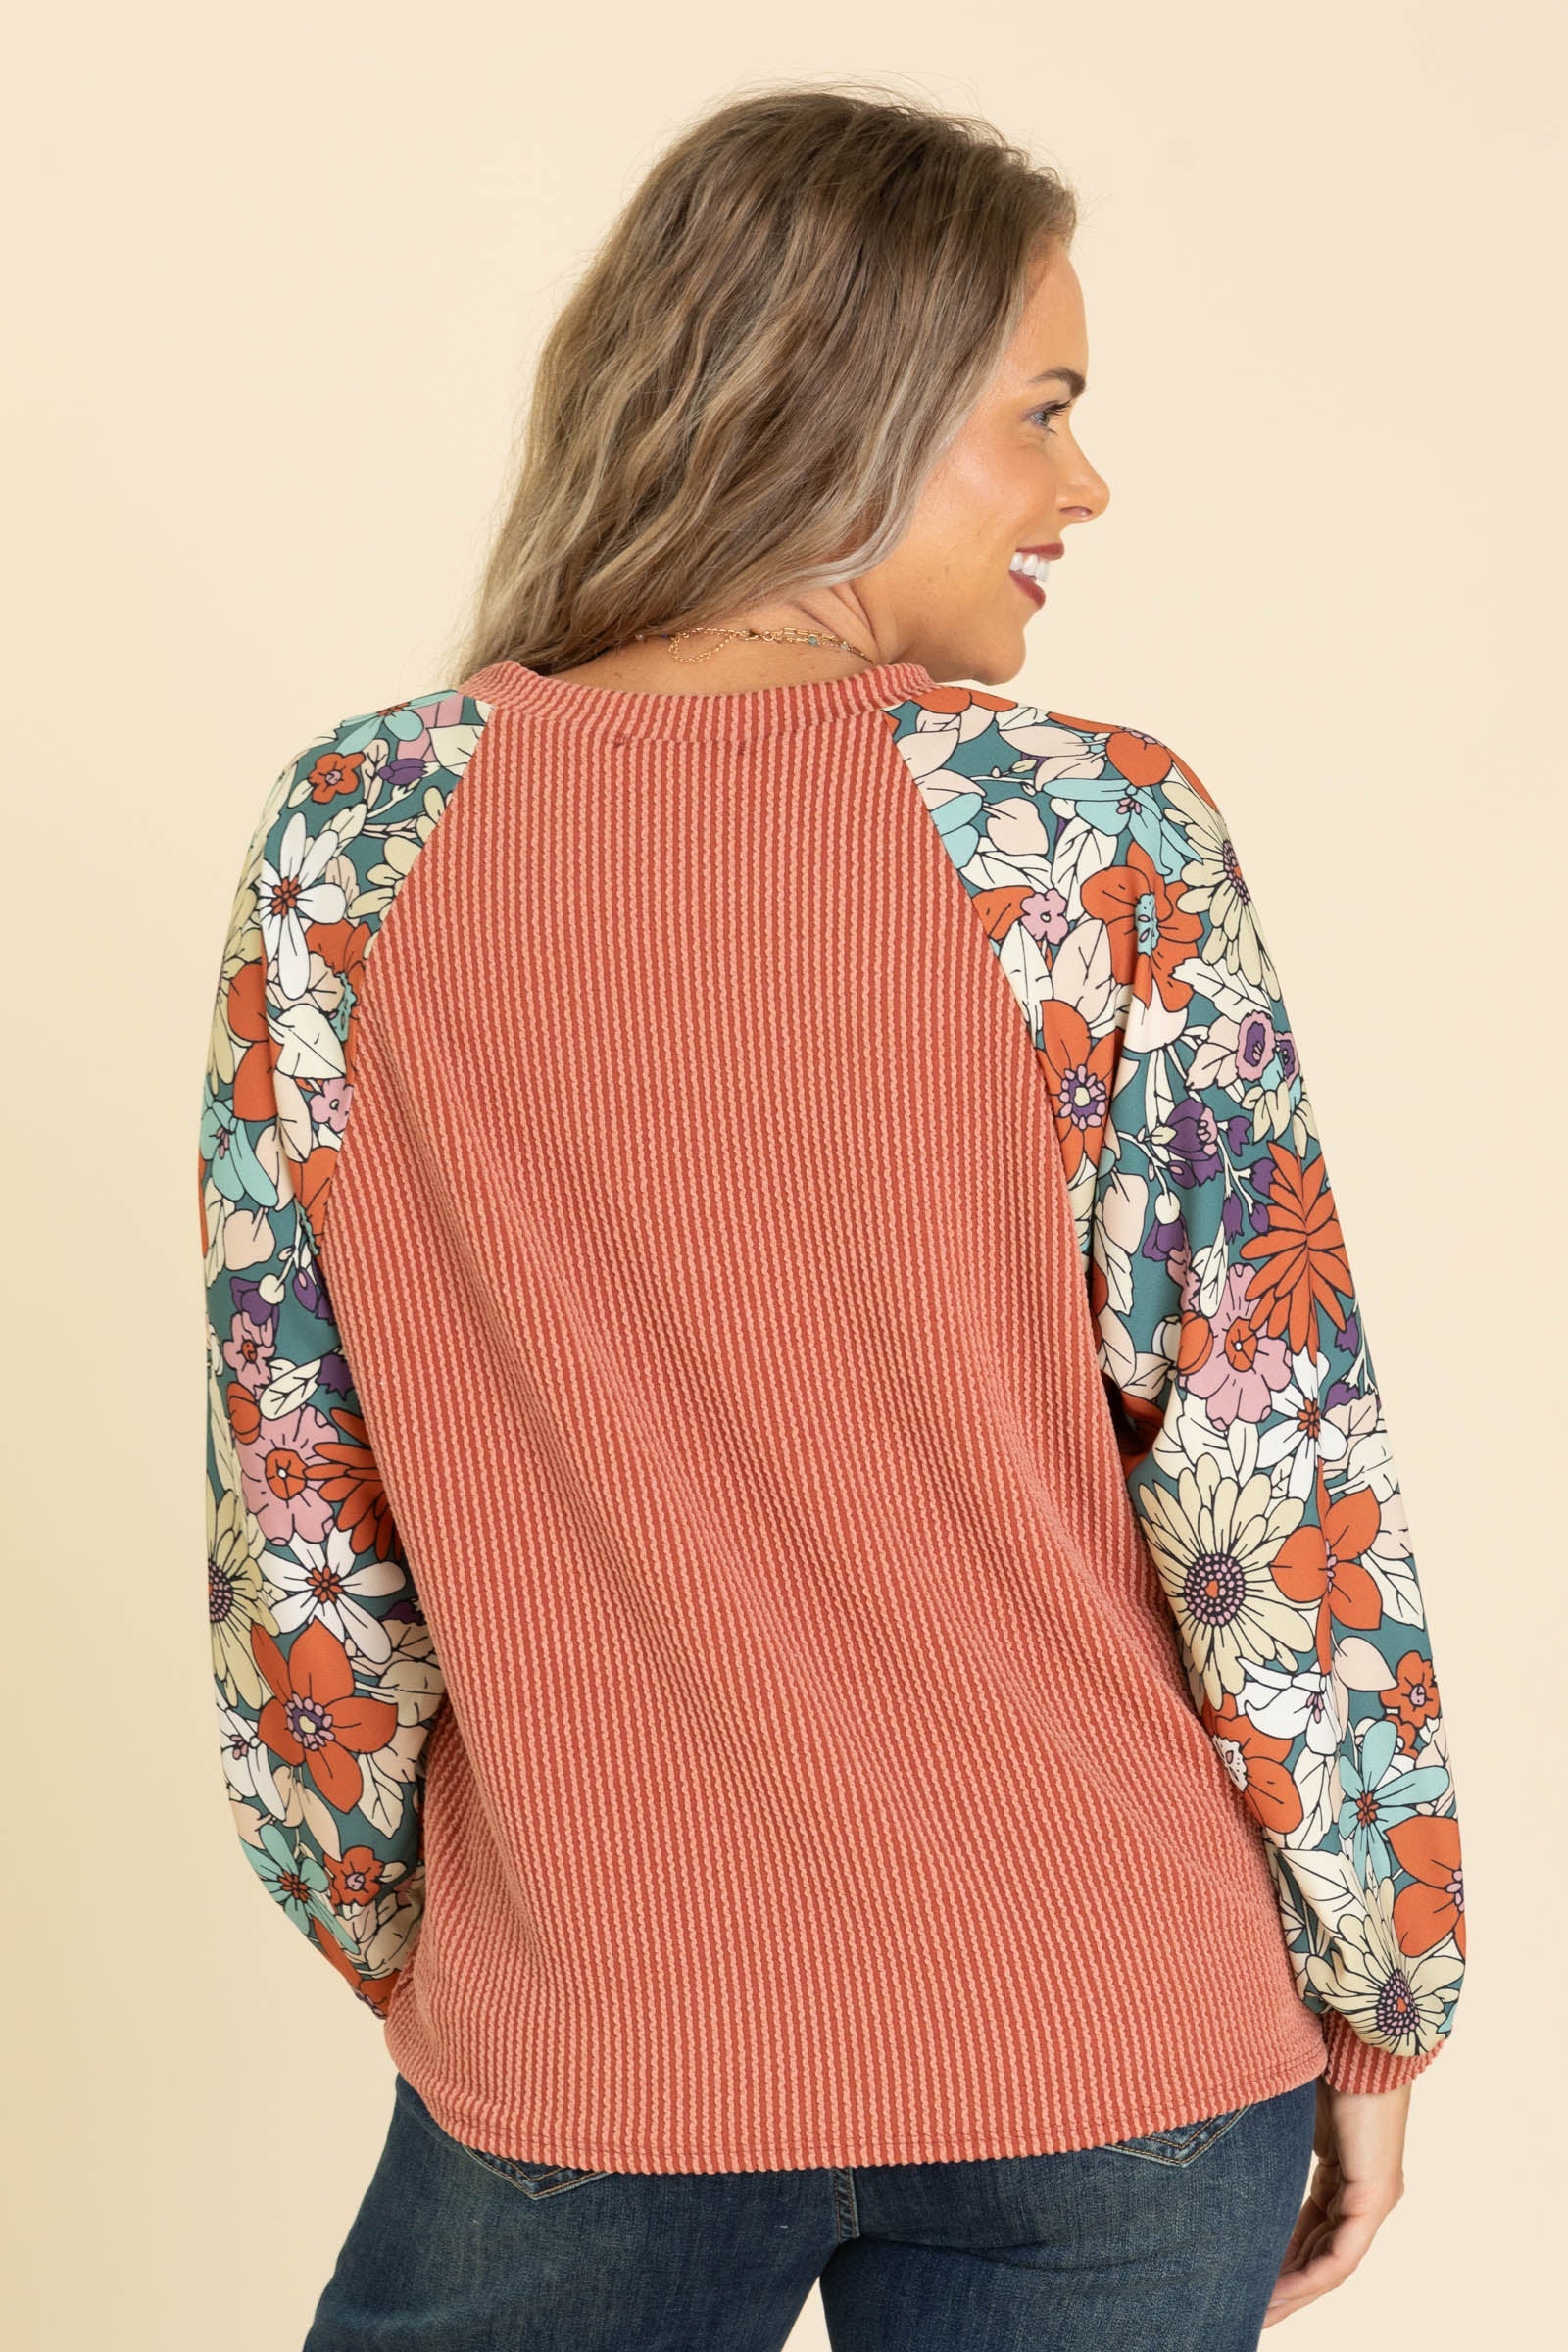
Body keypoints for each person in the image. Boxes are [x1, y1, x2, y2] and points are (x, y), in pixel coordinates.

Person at [196, 79, 1465, 2352]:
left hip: (602, 2025)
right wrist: (1376, 2002)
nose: (1083, 486)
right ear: (839, 400)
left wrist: (444, 1943)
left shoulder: (356, 846)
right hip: (1116, 2042)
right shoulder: (1085, 843)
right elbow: (1273, 1486)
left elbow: (301, 1517)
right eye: (1039, 412)